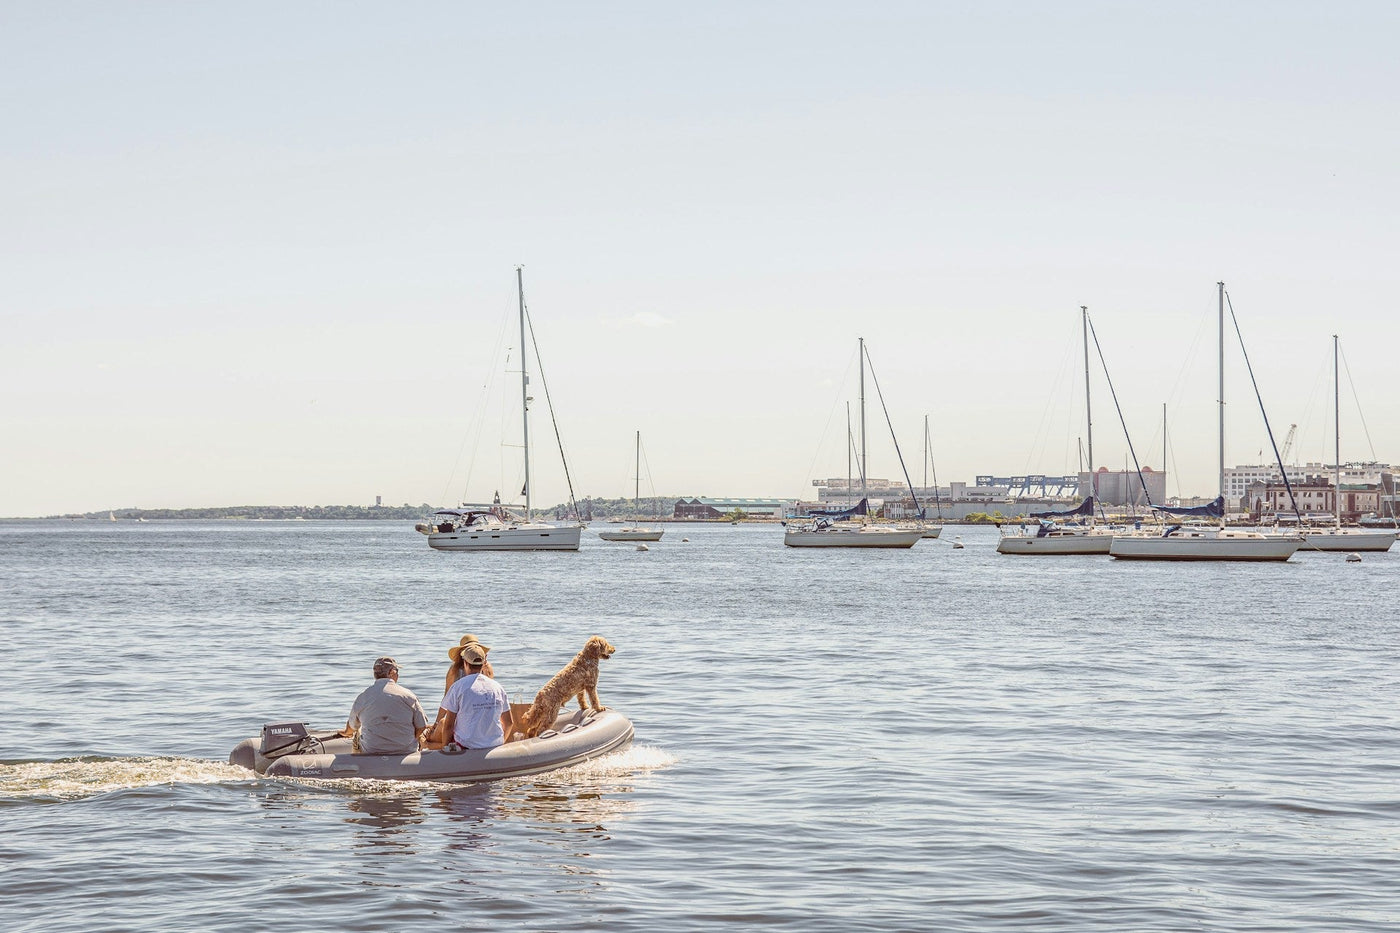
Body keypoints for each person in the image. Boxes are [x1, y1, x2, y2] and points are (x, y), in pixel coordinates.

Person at [344, 656, 429, 755]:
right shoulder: (408, 695)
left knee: (357, 733)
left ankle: (358, 763)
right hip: (405, 751)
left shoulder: (362, 697)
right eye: (397, 671)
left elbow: (351, 728)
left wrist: (346, 732)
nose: (398, 675)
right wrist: (408, 741)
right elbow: (422, 726)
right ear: (392, 672)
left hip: (372, 751)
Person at [436, 642, 513, 750]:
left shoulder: (458, 687)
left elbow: (448, 726)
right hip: (494, 746)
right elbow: (509, 723)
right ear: (484, 662)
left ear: (465, 663)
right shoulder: (497, 687)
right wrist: (501, 743)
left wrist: (446, 750)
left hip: (466, 746)